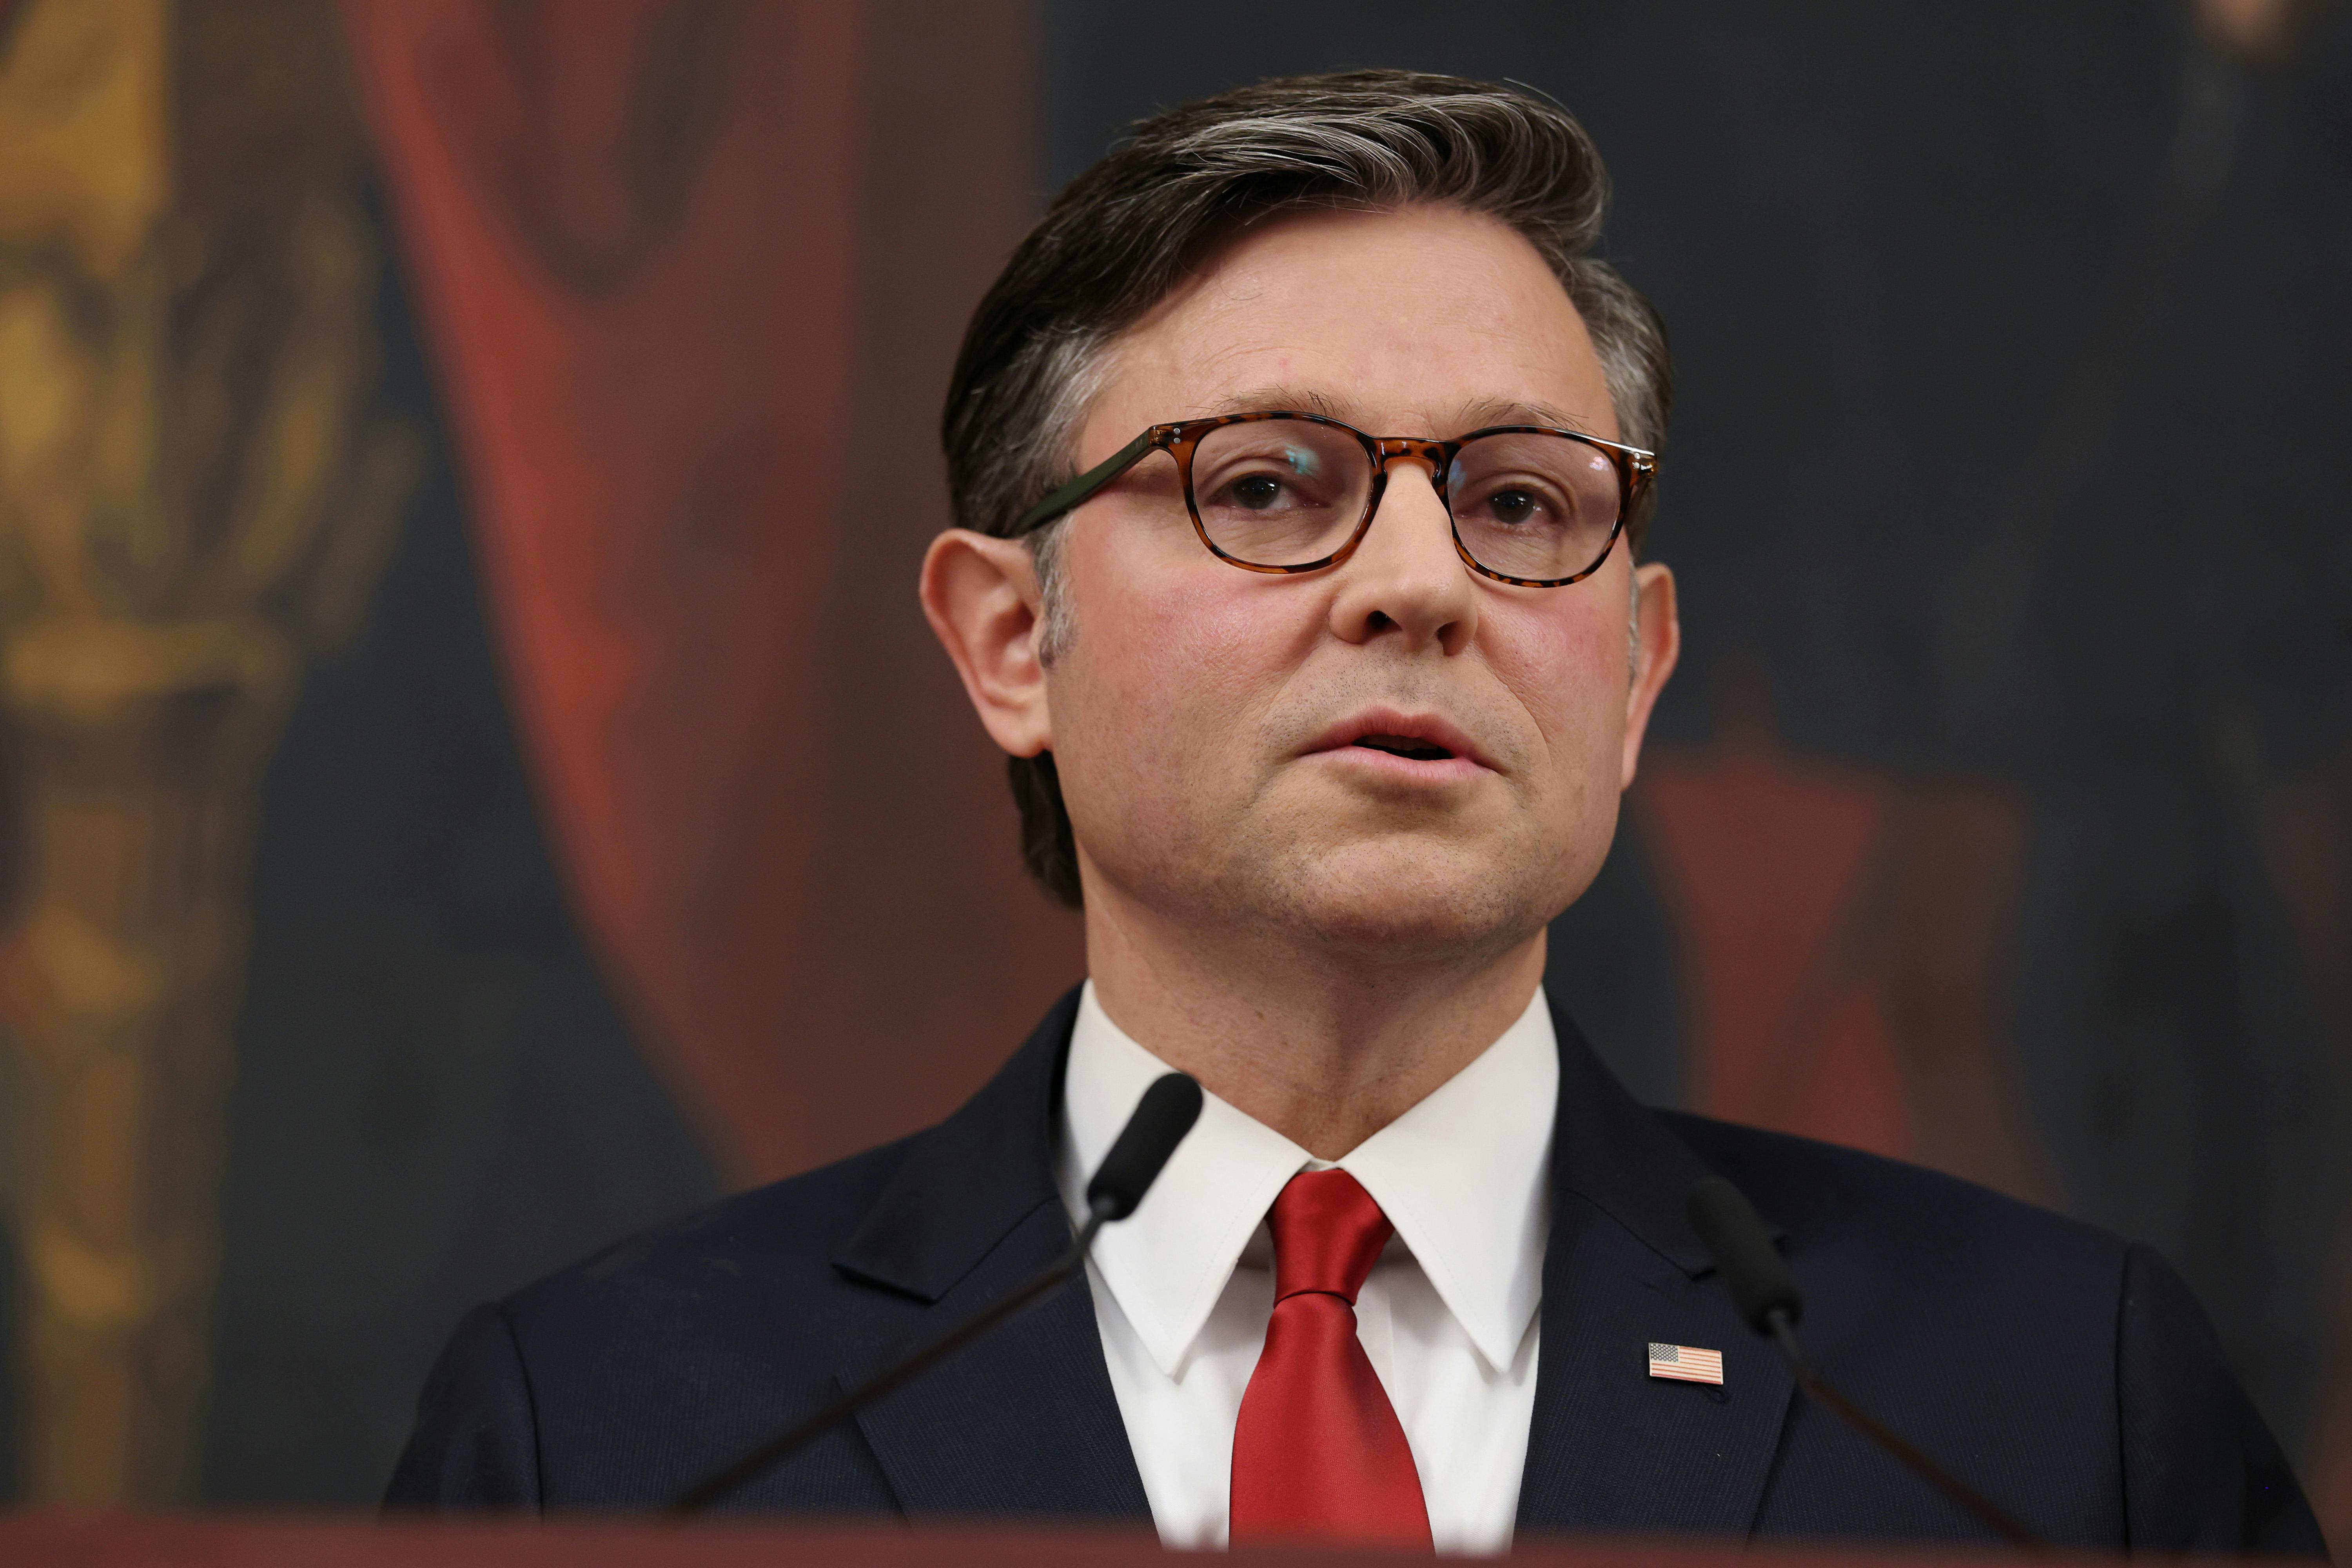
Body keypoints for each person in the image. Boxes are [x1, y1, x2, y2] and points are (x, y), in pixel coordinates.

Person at [385, 71, 2325, 1555]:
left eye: (1521, 502)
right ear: (1008, 641)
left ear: (1636, 672)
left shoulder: (2056, 1417)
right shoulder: (615, 1437)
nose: (1422, 584)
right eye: (1269, 483)